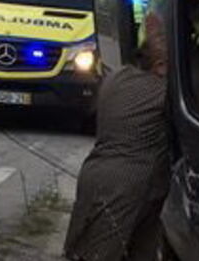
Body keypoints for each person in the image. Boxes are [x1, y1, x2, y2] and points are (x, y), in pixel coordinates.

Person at [64, 14, 170, 261]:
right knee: (101, 254)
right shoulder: (161, 93)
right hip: (125, 185)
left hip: (95, 173)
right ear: (161, 66)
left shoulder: (118, 77)